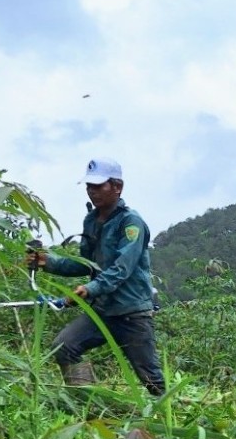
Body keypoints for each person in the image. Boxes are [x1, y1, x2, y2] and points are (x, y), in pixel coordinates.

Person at [27, 157, 165, 397]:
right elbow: (86, 264)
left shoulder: (131, 223)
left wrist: (90, 289)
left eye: (98, 185)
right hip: (103, 311)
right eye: (89, 186)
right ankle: (87, 405)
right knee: (64, 347)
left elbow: (122, 269)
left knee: (151, 380)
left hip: (131, 312)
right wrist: (48, 262)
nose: (92, 191)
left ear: (117, 186)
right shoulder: (91, 221)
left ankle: (166, 418)